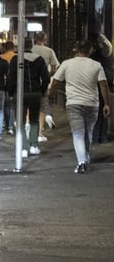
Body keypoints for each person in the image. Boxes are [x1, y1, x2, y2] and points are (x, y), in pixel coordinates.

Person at [49, 39, 111, 173]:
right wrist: (106, 104)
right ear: (89, 51)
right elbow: (103, 85)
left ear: (75, 50)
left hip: (73, 104)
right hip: (92, 104)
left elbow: (55, 82)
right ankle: (84, 158)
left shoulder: (66, 64)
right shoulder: (96, 65)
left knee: (77, 133)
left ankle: (82, 162)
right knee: (88, 133)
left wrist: (51, 96)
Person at [7, 38, 50, 157]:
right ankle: (34, 146)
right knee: (34, 120)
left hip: (20, 93)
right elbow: (46, 78)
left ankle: (24, 148)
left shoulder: (16, 59)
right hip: (35, 93)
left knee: (20, 121)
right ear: (31, 46)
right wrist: (41, 90)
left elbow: (11, 78)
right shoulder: (39, 59)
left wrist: (11, 93)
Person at [31, 32, 60, 138]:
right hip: (43, 83)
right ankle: (40, 129)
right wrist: (48, 75)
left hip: (29, 82)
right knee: (42, 106)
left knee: (30, 106)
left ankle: (30, 126)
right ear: (45, 39)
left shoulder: (31, 50)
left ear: (35, 39)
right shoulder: (49, 51)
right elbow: (55, 67)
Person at [87, 32, 114, 144]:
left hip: (94, 85)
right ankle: (100, 136)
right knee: (103, 111)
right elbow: (109, 48)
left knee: (96, 112)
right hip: (103, 84)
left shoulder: (91, 57)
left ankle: (95, 135)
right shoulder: (104, 55)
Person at [0, 41, 17, 135]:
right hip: (14, 83)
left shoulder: (1, 57)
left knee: (4, 106)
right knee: (12, 106)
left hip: (3, 83)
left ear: (5, 48)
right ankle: (10, 125)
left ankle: (4, 124)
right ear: (13, 47)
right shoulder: (17, 57)